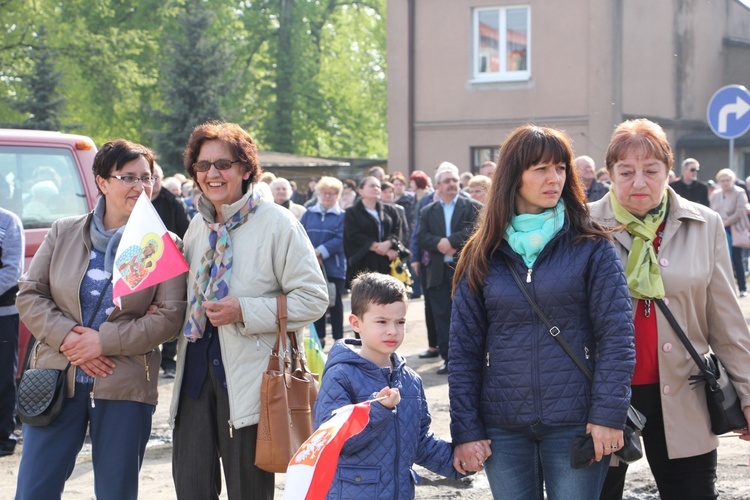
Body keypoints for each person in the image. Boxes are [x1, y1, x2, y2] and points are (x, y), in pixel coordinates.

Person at [450, 125, 636, 499]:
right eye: (541, 169)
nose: (555, 179)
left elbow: (617, 337)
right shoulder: (481, 252)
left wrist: (607, 416)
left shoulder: (592, 245)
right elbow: (463, 349)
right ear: (513, 176)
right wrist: (466, 430)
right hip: (502, 426)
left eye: (561, 168)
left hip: (577, 422)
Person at [14, 140, 187, 499]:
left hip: (123, 383)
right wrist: (70, 337)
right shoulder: (64, 232)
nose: (140, 187)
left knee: (116, 492)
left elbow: (170, 318)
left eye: (147, 178)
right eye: (128, 177)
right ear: (102, 181)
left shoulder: (164, 244)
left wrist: (102, 342)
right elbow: (30, 294)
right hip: (57, 379)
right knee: (34, 490)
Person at [589, 119, 750, 499]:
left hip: (684, 390)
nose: (639, 182)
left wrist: (747, 392)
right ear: (609, 173)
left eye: (651, 171)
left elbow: (725, 319)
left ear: (669, 172)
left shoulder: (704, 223)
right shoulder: (583, 225)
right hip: (601, 397)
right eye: (626, 172)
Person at [169, 121, 328, 500]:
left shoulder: (277, 223)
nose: (212, 174)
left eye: (223, 164)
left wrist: (245, 309)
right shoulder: (198, 225)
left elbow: (314, 298)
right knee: (190, 488)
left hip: (251, 383)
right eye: (203, 165)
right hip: (193, 376)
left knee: (249, 493)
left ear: (245, 169)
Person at [313, 272, 477, 499]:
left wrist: (459, 461)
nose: (392, 330)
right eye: (381, 321)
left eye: (399, 322)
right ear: (356, 323)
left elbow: (419, 442)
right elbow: (332, 443)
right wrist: (379, 411)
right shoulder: (340, 376)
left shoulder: (410, 380)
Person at [417, 163, 482, 374]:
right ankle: (449, 359)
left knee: (466, 314)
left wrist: (451, 241)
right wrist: (438, 244)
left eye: (455, 180)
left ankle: (470, 357)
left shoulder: (472, 206)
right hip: (437, 272)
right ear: (438, 186)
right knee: (442, 316)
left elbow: (476, 231)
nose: (452, 184)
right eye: (447, 181)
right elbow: (421, 236)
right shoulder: (428, 210)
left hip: (463, 270)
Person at [300, 176, 347, 347]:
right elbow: (300, 235)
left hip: (334, 266)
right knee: (316, 301)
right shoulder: (308, 214)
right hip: (312, 266)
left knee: (336, 303)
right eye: (324, 193)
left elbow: (341, 238)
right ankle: (319, 338)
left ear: (338, 195)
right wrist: (311, 254)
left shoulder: (343, 216)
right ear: (319, 194)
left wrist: (319, 252)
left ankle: (338, 339)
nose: (328, 196)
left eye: (332, 193)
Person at [343, 176, 404, 288]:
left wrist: (389, 243)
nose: (376, 188)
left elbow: (398, 230)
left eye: (378, 186)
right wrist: (380, 248)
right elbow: (353, 236)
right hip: (364, 263)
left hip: (388, 263)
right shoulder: (352, 213)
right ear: (361, 191)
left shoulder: (390, 211)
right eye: (372, 186)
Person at [0, 205, 23, 457]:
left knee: (3, 378)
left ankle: (4, 437)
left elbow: (12, 271)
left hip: (3, 314)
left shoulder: (8, 221)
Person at [710, 168, 749, 298]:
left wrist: (726, 222)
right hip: (719, 228)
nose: (725, 183)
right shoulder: (715, 194)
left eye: (727, 180)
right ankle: (724, 288)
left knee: (737, 259)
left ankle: (742, 287)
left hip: (734, 229)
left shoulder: (739, 192)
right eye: (722, 180)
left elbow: (740, 211)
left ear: (732, 180)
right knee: (720, 259)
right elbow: (712, 211)